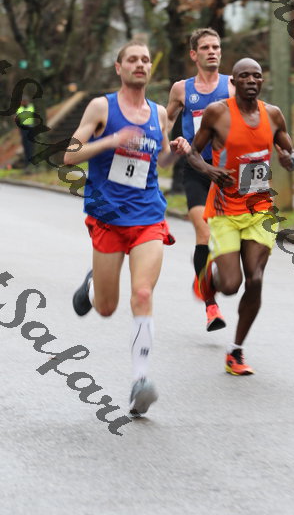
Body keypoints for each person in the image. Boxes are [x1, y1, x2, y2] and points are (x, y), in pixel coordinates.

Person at [64, 40, 190, 417]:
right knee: (106, 308)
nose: (140, 64)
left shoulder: (159, 113)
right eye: (132, 59)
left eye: (146, 60)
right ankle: (92, 285)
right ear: (119, 68)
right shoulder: (101, 107)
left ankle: (140, 381)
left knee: (142, 292)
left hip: (148, 215)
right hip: (108, 216)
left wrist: (175, 152)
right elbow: (69, 154)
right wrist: (111, 140)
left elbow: (161, 160)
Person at [187, 58, 294, 375]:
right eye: (244, 76)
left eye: (257, 76)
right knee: (231, 285)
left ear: (262, 81)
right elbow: (193, 153)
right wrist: (210, 170)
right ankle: (210, 277)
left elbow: (291, 155)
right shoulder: (217, 113)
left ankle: (235, 351)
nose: (251, 80)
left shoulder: (273, 115)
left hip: (259, 210)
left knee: (256, 279)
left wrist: (289, 160)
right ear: (234, 82)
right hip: (225, 211)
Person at [167, 28, 235, 332]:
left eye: (216, 47)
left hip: (226, 172)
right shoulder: (181, 89)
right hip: (195, 169)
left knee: (229, 241)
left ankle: (211, 279)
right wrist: (170, 141)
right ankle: (211, 307)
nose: (212, 52)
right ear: (194, 54)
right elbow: (167, 120)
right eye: (206, 47)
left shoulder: (232, 86)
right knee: (203, 232)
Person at [15, 96, 36, 169]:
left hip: (30, 128)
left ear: (27, 101)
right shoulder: (19, 109)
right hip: (23, 129)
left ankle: (31, 161)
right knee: (26, 146)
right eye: (22, 101)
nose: (23, 103)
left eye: (25, 101)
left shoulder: (31, 107)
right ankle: (27, 162)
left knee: (31, 145)